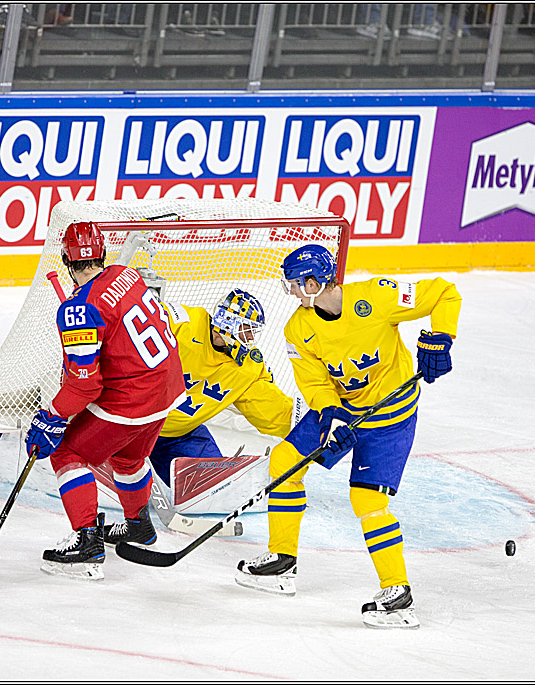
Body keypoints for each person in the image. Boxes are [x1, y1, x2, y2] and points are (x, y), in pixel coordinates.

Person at [235, 244, 461, 629]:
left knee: (367, 499)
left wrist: (442, 336)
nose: (290, 292)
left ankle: (397, 590)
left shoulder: (378, 296)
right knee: (285, 463)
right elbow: (314, 383)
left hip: (391, 417)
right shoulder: (298, 329)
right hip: (341, 412)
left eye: (294, 284)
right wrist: (331, 415)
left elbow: (444, 292)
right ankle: (282, 560)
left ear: (312, 283)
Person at [26, 221, 186, 581]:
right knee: (127, 457)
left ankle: (86, 544)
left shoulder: (79, 309)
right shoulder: (127, 274)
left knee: (67, 453)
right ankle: (138, 526)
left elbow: (84, 386)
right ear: (101, 252)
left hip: (132, 398)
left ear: (66, 260)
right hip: (167, 388)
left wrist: (51, 415)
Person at [137, 288, 297, 505]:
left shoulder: (247, 367)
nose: (251, 338)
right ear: (228, 323)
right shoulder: (181, 323)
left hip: (178, 436)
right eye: (246, 329)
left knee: (218, 489)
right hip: (129, 426)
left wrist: (315, 427)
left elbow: (272, 410)